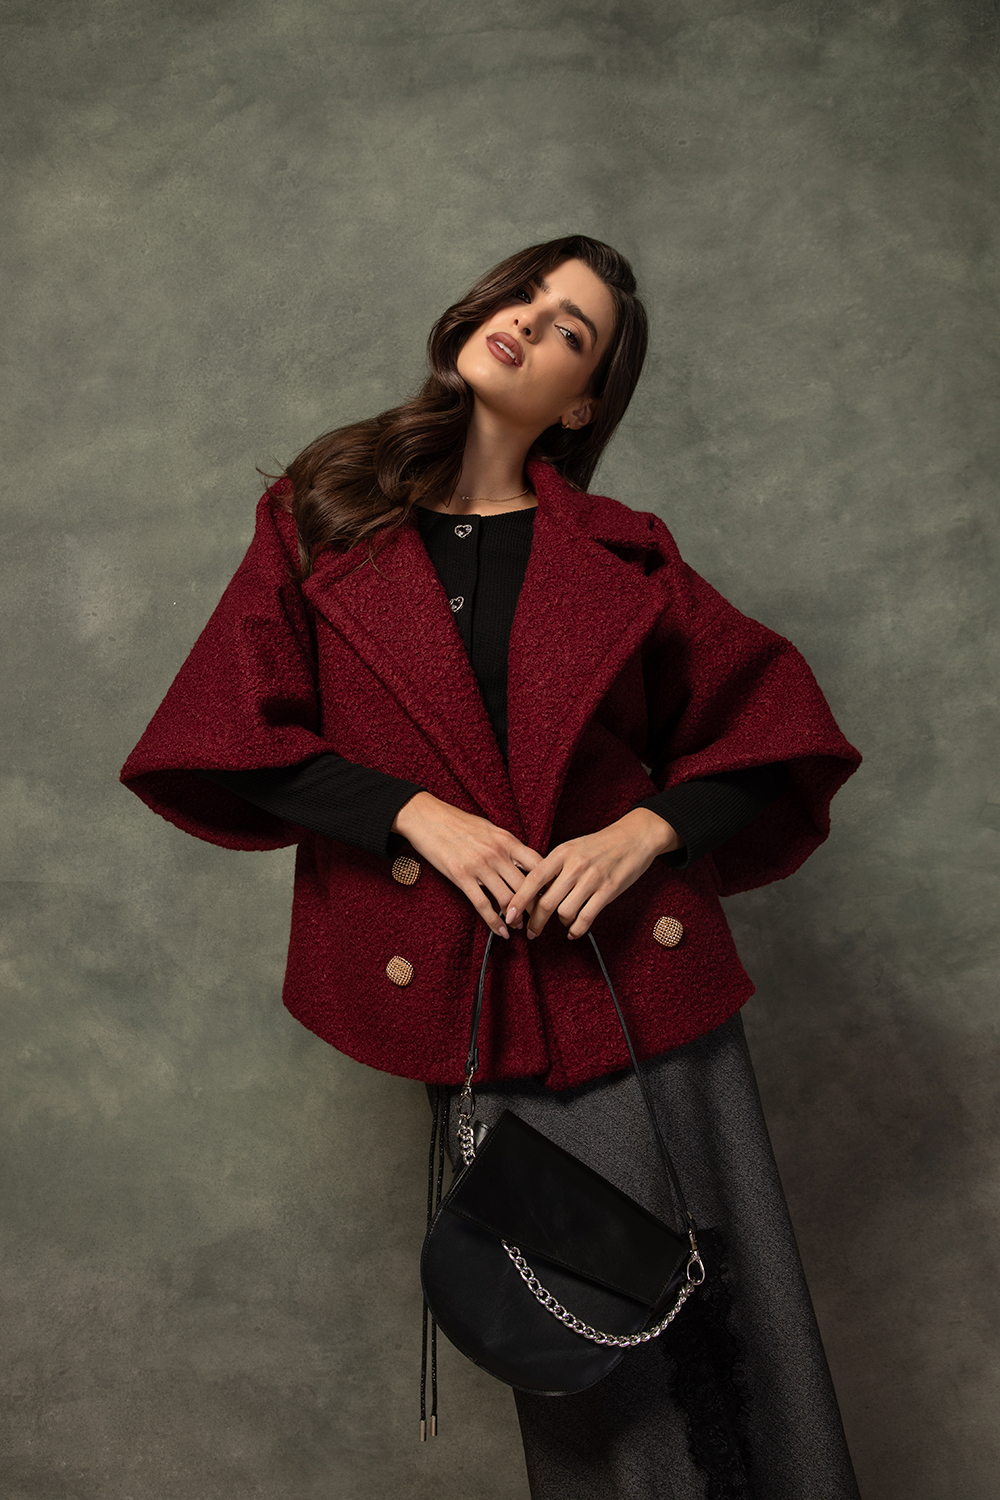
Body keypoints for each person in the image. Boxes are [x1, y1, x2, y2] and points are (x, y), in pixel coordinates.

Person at [120, 235, 862, 1498]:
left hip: (648, 987)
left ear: (580, 404)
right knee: (584, 1350)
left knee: (737, 1326)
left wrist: (645, 831)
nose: (528, 319)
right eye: (525, 293)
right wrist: (413, 813)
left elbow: (774, 728)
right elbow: (229, 735)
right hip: (478, 1004)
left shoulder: (625, 551)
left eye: (570, 328)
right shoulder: (320, 517)